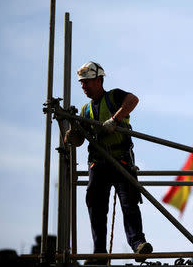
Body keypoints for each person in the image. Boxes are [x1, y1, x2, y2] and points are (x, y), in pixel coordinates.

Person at [65, 61, 152, 265]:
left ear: (98, 80)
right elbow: (77, 142)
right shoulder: (86, 111)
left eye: (86, 82)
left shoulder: (113, 97)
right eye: (82, 84)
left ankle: (138, 243)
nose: (83, 87)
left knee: (129, 203)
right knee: (96, 206)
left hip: (120, 158)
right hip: (98, 163)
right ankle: (100, 254)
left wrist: (115, 119)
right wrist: (70, 131)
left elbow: (133, 100)